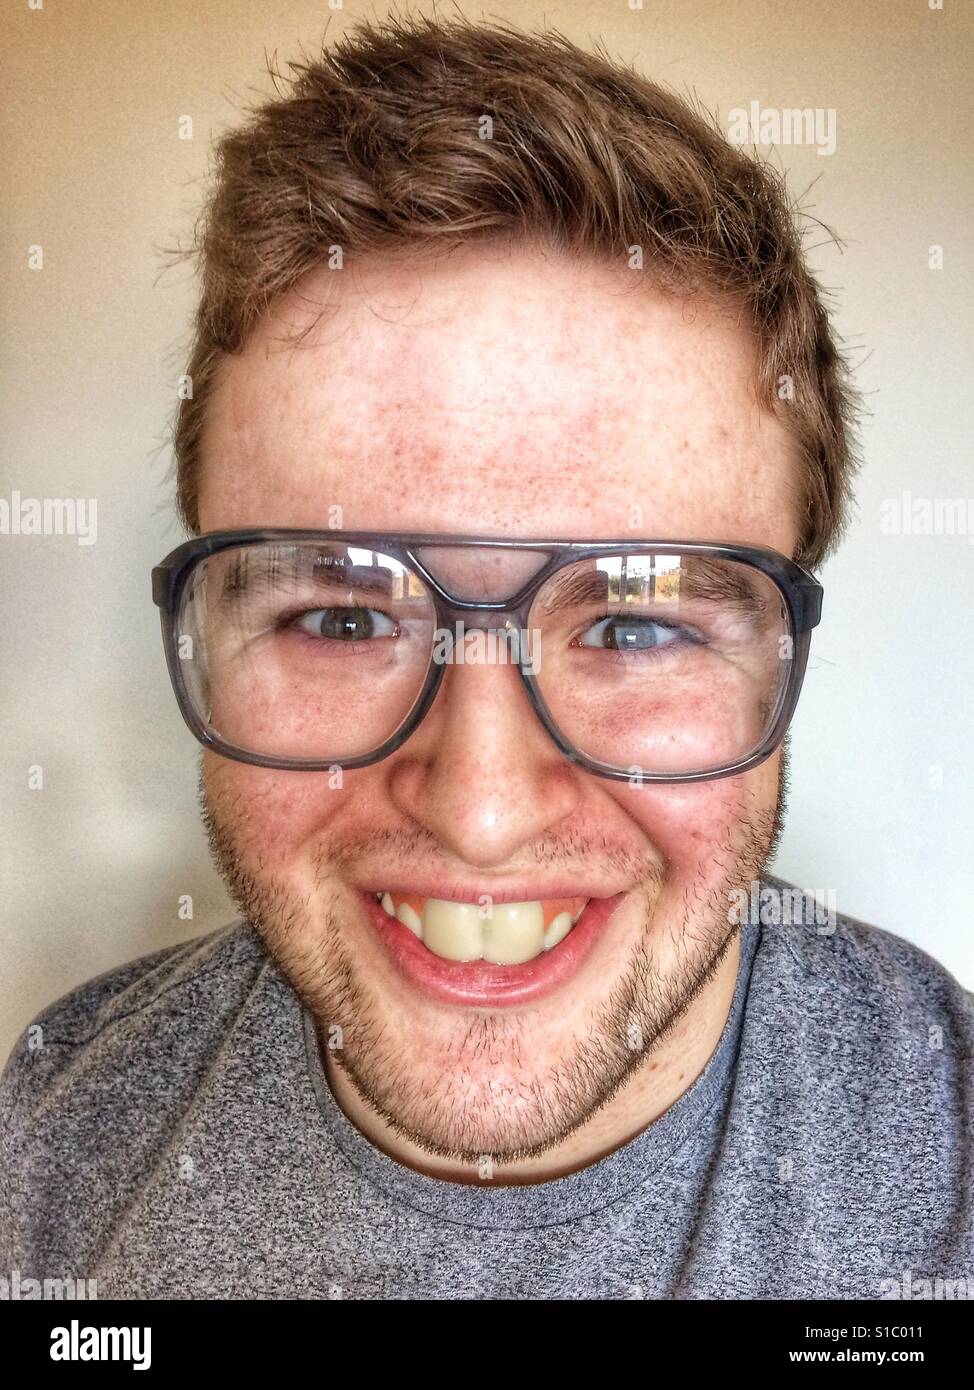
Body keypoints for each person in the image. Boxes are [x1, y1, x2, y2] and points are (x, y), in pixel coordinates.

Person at [3, 14, 972, 1301]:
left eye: (634, 623)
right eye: (341, 617)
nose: (479, 811)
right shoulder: (51, 1142)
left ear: (782, 657)